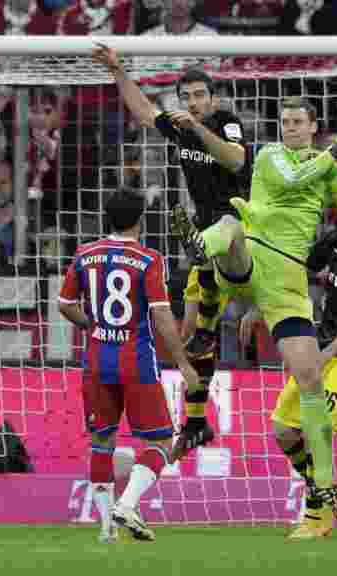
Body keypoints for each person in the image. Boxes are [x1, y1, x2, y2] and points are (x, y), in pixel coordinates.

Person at [170, 97, 337, 524]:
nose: (290, 128)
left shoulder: (327, 171)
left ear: (313, 125)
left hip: (286, 283)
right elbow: (291, 181)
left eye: (298, 122)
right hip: (252, 262)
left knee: (310, 377)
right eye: (285, 122)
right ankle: (199, 246)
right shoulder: (270, 155)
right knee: (230, 226)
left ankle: (324, 482)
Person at [93, 45, 248, 460]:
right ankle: (196, 424)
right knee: (193, 335)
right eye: (188, 97)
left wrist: (197, 129)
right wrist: (117, 71)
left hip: (240, 229)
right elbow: (144, 112)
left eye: (200, 95)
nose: (194, 103)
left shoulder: (225, 123)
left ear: (212, 97)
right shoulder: (179, 126)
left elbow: (235, 161)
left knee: (225, 239)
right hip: (203, 235)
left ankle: (204, 252)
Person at [239, 194, 337, 539]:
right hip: (320, 346)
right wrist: (261, 306)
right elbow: (296, 270)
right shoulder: (335, 240)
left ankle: (315, 518)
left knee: (314, 426)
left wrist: (325, 357)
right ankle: (325, 486)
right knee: (283, 429)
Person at [58, 188, 200, 543]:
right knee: (162, 442)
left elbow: (64, 304)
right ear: (140, 220)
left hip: (95, 361)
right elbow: (162, 314)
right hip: (135, 362)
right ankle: (128, 503)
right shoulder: (148, 259)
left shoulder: (84, 254)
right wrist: (182, 362)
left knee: (101, 440)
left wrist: (91, 325)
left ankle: (106, 529)